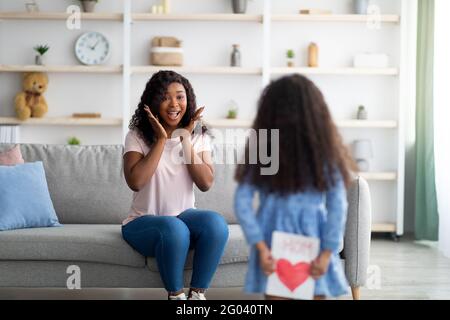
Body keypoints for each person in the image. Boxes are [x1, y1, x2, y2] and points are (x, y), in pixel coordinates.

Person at [234, 74, 357, 300]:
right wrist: (327, 252)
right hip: (315, 243)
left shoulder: (263, 152)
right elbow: (338, 206)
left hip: (273, 242)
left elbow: (242, 202)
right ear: (316, 112)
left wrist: (260, 247)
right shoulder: (325, 154)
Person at [122, 70, 229, 300]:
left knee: (216, 224)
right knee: (174, 227)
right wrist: (162, 140)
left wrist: (185, 139)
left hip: (183, 218)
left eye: (180, 96)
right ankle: (176, 296)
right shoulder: (137, 136)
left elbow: (205, 183)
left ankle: (197, 296)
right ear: (153, 101)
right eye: (165, 96)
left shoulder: (197, 136)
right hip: (142, 223)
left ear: (188, 100)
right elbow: (136, 182)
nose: (174, 104)